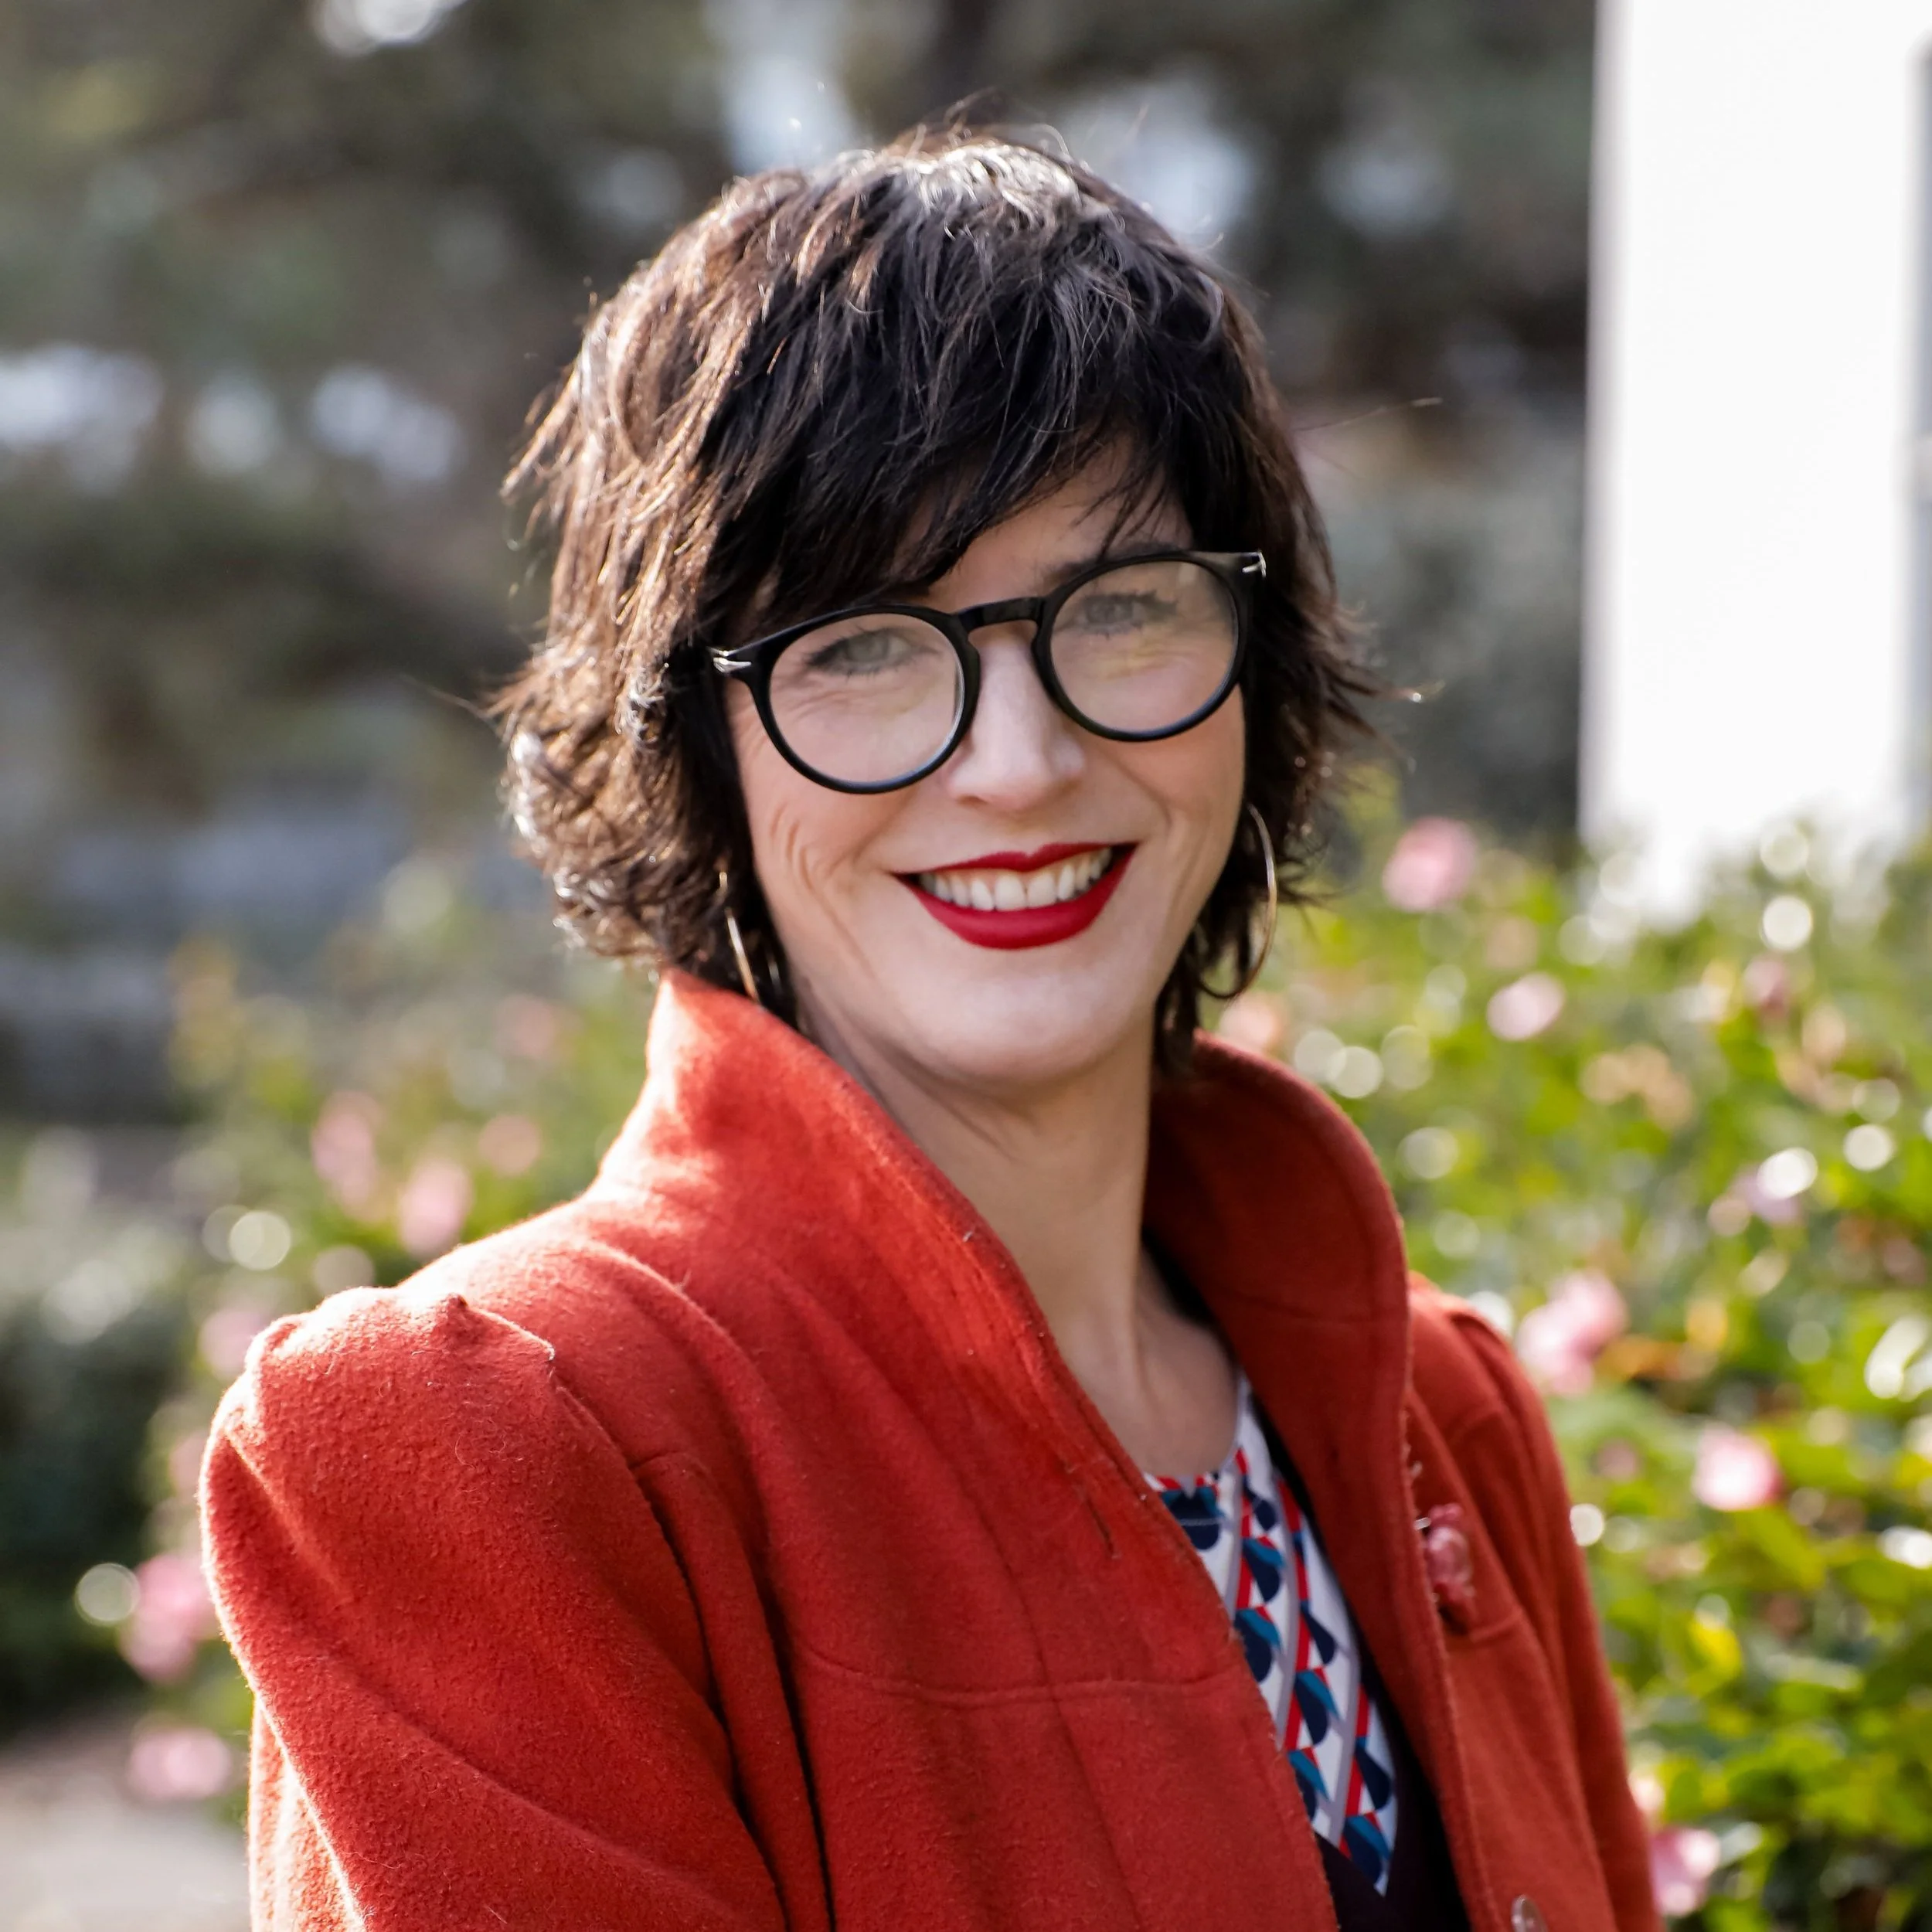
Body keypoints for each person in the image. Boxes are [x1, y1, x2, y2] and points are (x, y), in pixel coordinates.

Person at [202, 127, 1660, 1932]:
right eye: (865, 643)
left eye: (1119, 608)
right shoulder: (495, 1437)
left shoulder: (1436, 1410)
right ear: (696, 746)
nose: (1018, 762)